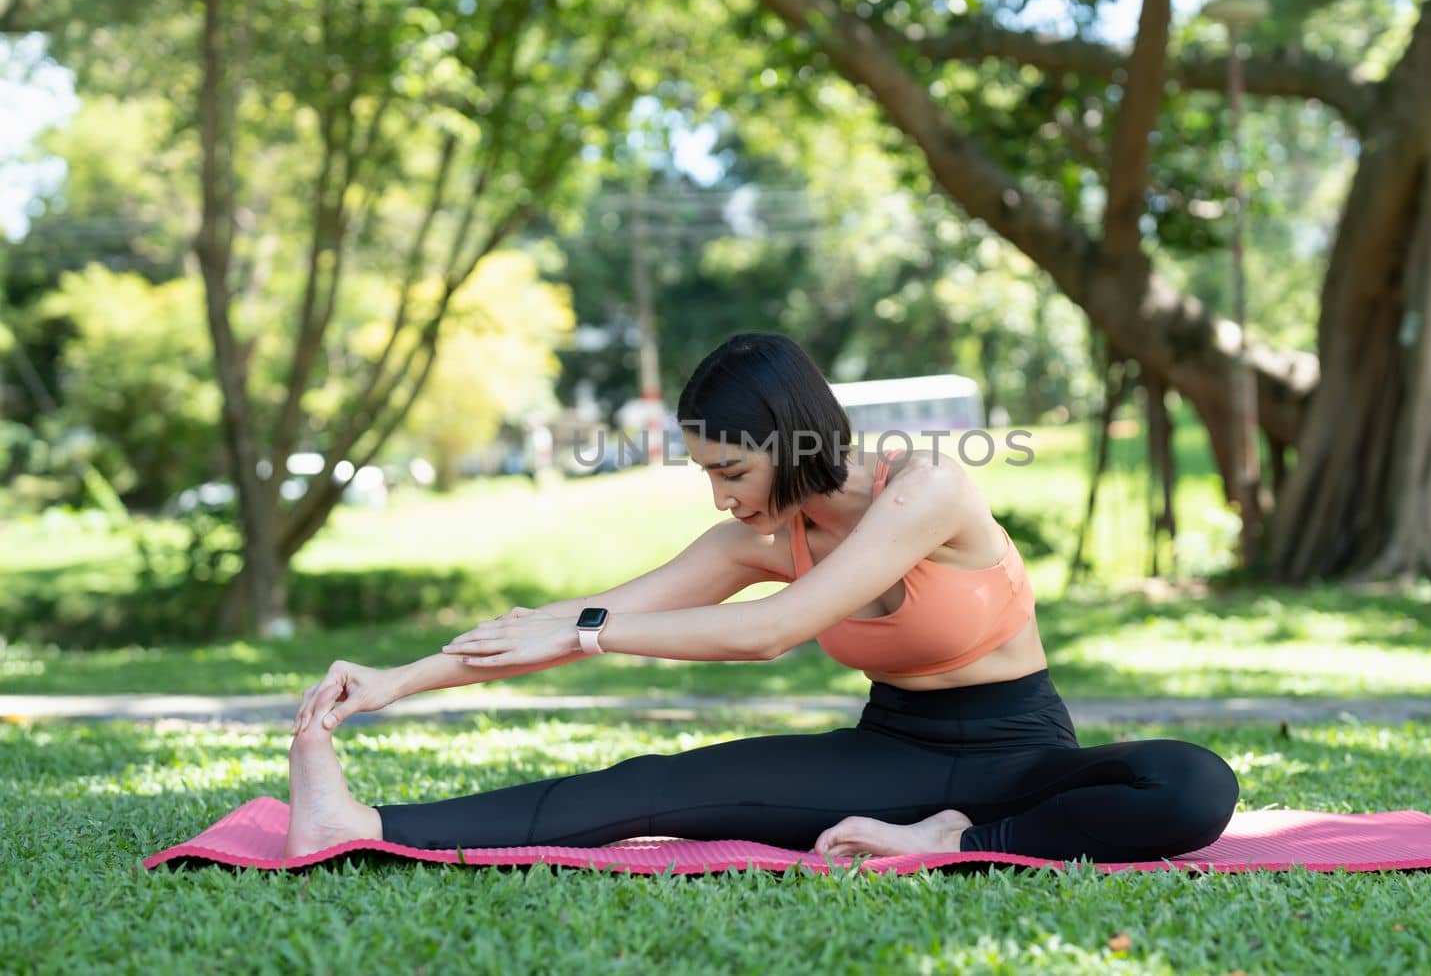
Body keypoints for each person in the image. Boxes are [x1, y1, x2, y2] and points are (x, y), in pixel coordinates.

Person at [284, 332, 1238, 862]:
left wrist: (594, 635)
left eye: (731, 468)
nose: (721, 494)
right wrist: (396, 681)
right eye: (707, 472)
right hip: (889, 755)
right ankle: (360, 827)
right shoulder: (756, 537)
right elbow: (568, 618)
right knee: (648, 788)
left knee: (1194, 784)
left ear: (792, 438)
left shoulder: (929, 490)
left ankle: (960, 839)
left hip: (1020, 756)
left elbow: (773, 633)